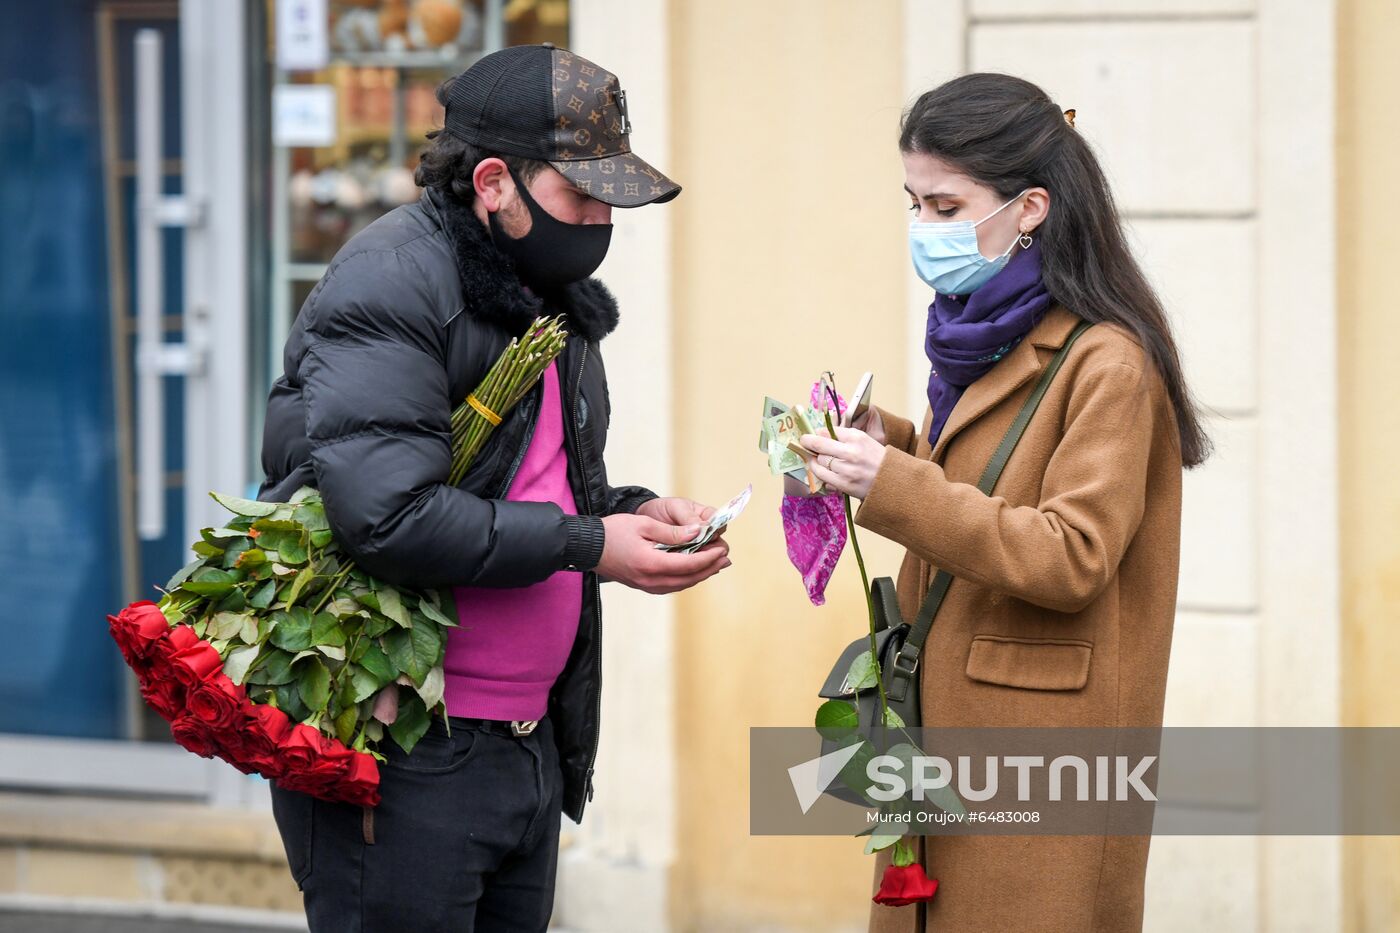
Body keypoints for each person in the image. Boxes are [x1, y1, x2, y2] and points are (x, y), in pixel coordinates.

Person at [256, 44, 731, 932]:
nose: (599, 220)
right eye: (578, 193)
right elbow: (389, 515)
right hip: (408, 754)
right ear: (492, 181)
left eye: (611, 198)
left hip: (525, 749)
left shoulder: (548, 289)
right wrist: (592, 545)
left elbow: (528, 479)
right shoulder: (393, 280)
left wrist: (631, 514)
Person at [794, 73, 1208, 933]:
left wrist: (892, 481)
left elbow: (1070, 553)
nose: (924, 230)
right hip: (947, 737)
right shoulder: (989, 330)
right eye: (913, 202)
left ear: (1030, 209)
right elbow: (991, 481)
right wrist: (889, 445)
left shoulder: (1109, 361)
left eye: (946, 206)